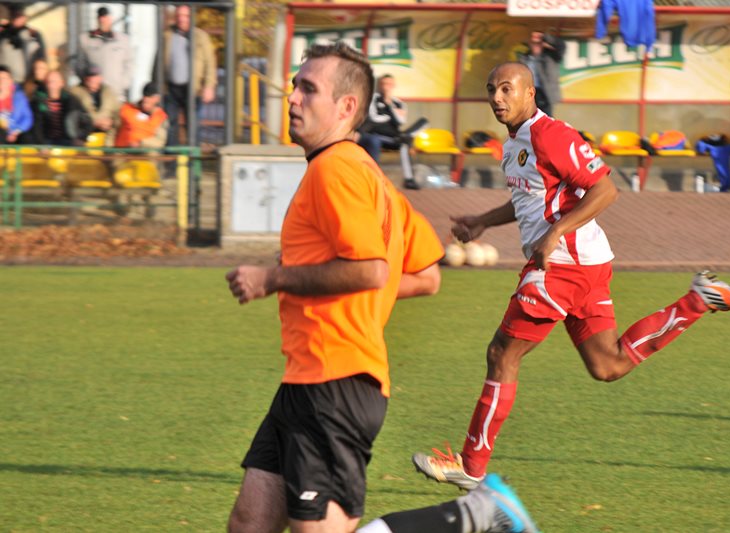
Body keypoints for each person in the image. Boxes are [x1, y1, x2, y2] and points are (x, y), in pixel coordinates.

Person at [225, 42, 538, 533]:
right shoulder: (372, 177)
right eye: (294, 86)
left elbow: (371, 269)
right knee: (250, 523)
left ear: (346, 106)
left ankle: (472, 513)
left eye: (308, 89)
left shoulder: (335, 169)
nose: (292, 98)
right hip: (308, 377)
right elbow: (426, 276)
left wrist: (273, 278)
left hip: (334, 382)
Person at [412, 62, 730, 491]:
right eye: (491, 89)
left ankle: (470, 466)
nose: (497, 98)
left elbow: (605, 189)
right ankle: (699, 299)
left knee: (502, 354)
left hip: (563, 266)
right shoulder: (514, 143)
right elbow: (531, 198)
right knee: (607, 364)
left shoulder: (551, 135)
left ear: (530, 93)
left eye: (506, 89)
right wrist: (484, 220)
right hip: (583, 263)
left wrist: (555, 233)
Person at [158, 4, 217, 146]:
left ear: (191, 17)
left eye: (185, 16)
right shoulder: (167, 35)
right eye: (179, 16)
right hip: (171, 88)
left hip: (193, 88)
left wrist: (209, 86)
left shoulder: (200, 37)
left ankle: (192, 157)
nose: (182, 19)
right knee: (170, 124)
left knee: (193, 124)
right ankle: (171, 158)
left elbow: (210, 63)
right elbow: (158, 62)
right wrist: (156, 87)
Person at [357, 73, 427, 190]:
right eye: (384, 84)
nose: (386, 87)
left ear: (393, 86)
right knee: (375, 139)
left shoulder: (399, 103)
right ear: (379, 85)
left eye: (389, 84)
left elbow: (400, 121)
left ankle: (409, 180)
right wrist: (389, 117)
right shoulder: (373, 99)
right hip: (376, 134)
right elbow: (373, 118)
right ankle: (373, 178)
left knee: (422, 124)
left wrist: (389, 105)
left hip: (392, 137)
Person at [78, 6, 133, 101]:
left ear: (110, 18)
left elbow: (130, 64)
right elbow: (79, 63)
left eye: (105, 17)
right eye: (100, 17)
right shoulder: (86, 39)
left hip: (116, 93)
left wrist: (123, 83)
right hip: (94, 94)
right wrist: (88, 81)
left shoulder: (123, 40)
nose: (103, 20)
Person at [29, 70, 91, 146]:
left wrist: (81, 138)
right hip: (46, 141)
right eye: (48, 82)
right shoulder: (38, 102)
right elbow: (36, 126)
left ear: (61, 83)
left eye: (54, 82)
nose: (51, 85)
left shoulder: (71, 101)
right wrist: (41, 144)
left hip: (69, 141)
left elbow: (87, 119)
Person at [515, 31, 564, 117]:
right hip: (528, 92)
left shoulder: (550, 57)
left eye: (538, 43)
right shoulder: (525, 58)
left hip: (545, 93)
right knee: (528, 118)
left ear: (544, 45)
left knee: (545, 118)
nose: (536, 45)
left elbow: (561, 47)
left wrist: (545, 37)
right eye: (533, 43)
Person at [70, 65, 120, 142]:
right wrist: (93, 123)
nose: (92, 80)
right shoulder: (75, 92)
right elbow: (72, 117)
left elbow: (118, 113)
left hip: (107, 138)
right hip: (83, 138)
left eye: (95, 77)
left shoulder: (109, 92)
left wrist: (111, 122)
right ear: (84, 79)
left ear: (100, 78)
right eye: (89, 77)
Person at [115, 82, 168, 148]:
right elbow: (113, 129)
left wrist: (141, 143)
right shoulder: (127, 108)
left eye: (150, 97)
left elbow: (159, 142)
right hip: (122, 150)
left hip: (145, 151)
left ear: (157, 99)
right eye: (145, 96)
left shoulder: (161, 117)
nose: (146, 99)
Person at [0, 5, 45, 85]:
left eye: (19, 15)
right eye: (14, 15)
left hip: (28, 83)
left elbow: (41, 59)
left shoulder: (34, 34)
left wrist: (37, 80)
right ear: (10, 17)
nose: (16, 18)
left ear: (25, 17)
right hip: (5, 83)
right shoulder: (2, 35)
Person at [0, 65, 32, 144]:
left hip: (17, 132)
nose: (1, 81)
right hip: (1, 134)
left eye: (4, 78)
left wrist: (16, 131)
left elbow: (27, 118)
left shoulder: (19, 97)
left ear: (10, 81)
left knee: (27, 137)